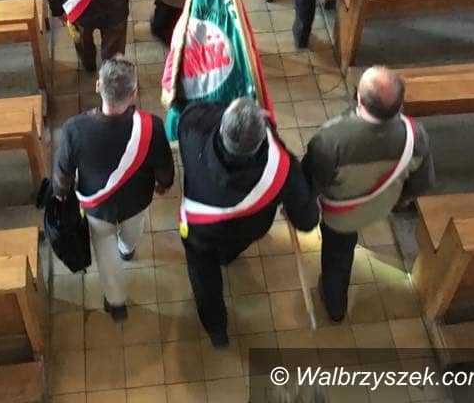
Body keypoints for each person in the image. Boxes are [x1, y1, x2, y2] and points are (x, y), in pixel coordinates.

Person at [179, 97, 319, 346]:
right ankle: (228, 257)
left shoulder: (193, 128)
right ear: (261, 138)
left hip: (202, 234)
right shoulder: (283, 168)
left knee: (204, 279)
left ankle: (217, 330)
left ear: (223, 128)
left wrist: (232, 113)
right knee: (232, 246)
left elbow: (193, 109)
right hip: (250, 228)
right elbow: (307, 221)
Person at [303, 66, 434, 323]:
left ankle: (335, 304)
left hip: (341, 218)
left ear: (359, 99)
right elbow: (421, 184)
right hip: (382, 206)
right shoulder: (415, 136)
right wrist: (397, 200)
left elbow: (310, 182)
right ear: (400, 104)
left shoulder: (330, 139)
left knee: (338, 256)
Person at [54, 57, 174, 320]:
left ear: (98, 87)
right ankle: (127, 249)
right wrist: (163, 184)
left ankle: (116, 301)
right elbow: (165, 167)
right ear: (134, 93)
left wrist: (61, 195)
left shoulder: (74, 129)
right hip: (136, 200)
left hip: (97, 207)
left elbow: (63, 176)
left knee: (104, 250)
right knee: (133, 229)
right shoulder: (151, 126)